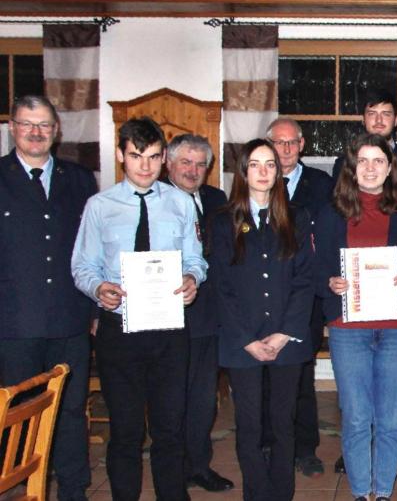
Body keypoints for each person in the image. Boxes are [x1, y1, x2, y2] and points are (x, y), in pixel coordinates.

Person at [71, 116, 207, 501]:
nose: (145, 166)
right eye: (135, 156)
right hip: (120, 329)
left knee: (169, 428)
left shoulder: (181, 203)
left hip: (169, 329)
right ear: (120, 155)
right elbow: (82, 265)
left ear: (164, 157)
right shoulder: (99, 206)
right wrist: (99, 287)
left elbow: (197, 259)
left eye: (152, 156)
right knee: (126, 430)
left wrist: (193, 280)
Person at [314, 133, 397, 501]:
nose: (369, 168)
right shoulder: (332, 211)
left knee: (390, 418)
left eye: (377, 161)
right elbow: (315, 268)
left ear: (389, 167)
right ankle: (360, 491)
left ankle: (383, 492)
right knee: (356, 417)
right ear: (351, 167)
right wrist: (330, 282)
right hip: (349, 328)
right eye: (362, 161)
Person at [0, 95, 97, 501]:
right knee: (18, 412)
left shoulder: (79, 180)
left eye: (44, 125)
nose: (36, 132)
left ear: (57, 132)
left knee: (70, 412)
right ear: (13, 129)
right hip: (13, 323)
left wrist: (92, 308)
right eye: (27, 124)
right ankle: (20, 483)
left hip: (69, 320)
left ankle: (73, 488)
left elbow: (93, 249)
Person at [210, 139, 315, 501]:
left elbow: (304, 279)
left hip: (286, 341)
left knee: (284, 425)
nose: (263, 171)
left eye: (270, 164)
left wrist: (286, 332)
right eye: (255, 164)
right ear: (243, 171)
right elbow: (221, 286)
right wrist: (247, 339)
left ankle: (281, 493)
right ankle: (257, 494)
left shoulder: (296, 217)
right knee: (250, 426)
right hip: (244, 343)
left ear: (278, 170)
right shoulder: (223, 221)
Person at [162, 133, 234, 493]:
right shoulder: (154, 199)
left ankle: (199, 466)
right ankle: (172, 473)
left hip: (208, 316)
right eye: (185, 163)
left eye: (200, 164)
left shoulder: (216, 199)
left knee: (203, 399)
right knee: (172, 400)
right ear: (168, 163)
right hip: (166, 316)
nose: (192, 170)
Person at [265, 117, 334, 477]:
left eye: (292, 142)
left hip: (307, 293)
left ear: (303, 144)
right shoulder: (257, 180)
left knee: (301, 368)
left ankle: (304, 447)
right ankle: (269, 442)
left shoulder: (321, 184)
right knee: (264, 368)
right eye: (279, 142)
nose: (286, 149)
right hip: (263, 293)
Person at [332, 89, 397, 189]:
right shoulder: (343, 164)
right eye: (372, 113)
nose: (378, 120)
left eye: (386, 114)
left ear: (396, 120)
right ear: (364, 120)